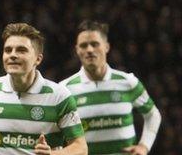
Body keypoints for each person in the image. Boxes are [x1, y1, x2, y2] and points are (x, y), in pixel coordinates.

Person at [0, 23, 87, 155]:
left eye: (21, 50)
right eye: (8, 50)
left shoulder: (59, 96)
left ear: (38, 59)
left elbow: (80, 148)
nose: (12, 55)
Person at [60, 21, 161, 155]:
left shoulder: (128, 82)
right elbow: (52, 131)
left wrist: (144, 146)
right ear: (77, 50)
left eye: (95, 44)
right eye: (84, 45)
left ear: (106, 47)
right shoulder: (64, 90)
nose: (89, 50)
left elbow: (153, 115)